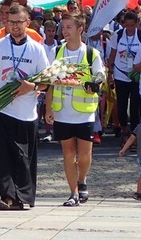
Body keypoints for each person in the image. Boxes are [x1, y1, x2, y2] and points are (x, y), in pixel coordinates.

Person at [0, 5, 49, 210]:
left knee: (22, 157)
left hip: (25, 113)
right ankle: (8, 197)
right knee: (1, 157)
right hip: (0, 110)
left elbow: (46, 82)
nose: (15, 26)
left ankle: (24, 198)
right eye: (11, 22)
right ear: (6, 23)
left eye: (19, 22)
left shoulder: (37, 49)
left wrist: (32, 86)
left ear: (27, 23)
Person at [45, 13, 105, 207]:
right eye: (63, 27)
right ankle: (73, 192)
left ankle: (83, 179)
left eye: (69, 27)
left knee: (85, 155)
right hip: (62, 111)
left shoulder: (90, 53)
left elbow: (100, 75)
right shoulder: (57, 52)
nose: (65, 31)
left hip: (84, 111)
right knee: (68, 154)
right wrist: (48, 108)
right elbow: (50, 82)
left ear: (80, 29)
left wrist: (94, 83)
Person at [107, 11, 141, 145]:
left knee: (136, 105)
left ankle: (135, 133)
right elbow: (112, 54)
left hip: (136, 75)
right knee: (122, 104)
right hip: (121, 73)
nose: (129, 28)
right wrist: (109, 73)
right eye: (127, 25)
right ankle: (124, 129)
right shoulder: (117, 35)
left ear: (136, 24)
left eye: (132, 25)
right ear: (123, 24)